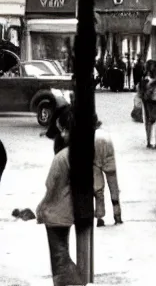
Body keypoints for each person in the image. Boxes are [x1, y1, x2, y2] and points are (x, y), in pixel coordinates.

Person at [36, 106, 83, 286]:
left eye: (63, 129)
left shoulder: (62, 157)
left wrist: (41, 208)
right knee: (62, 253)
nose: (61, 134)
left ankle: (76, 282)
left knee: (59, 258)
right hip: (70, 211)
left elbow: (51, 186)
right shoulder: (80, 153)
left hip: (56, 213)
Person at [140, 60, 156, 149]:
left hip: (148, 103)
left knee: (149, 121)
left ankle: (149, 141)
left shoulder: (145, 80)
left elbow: (142, 93)